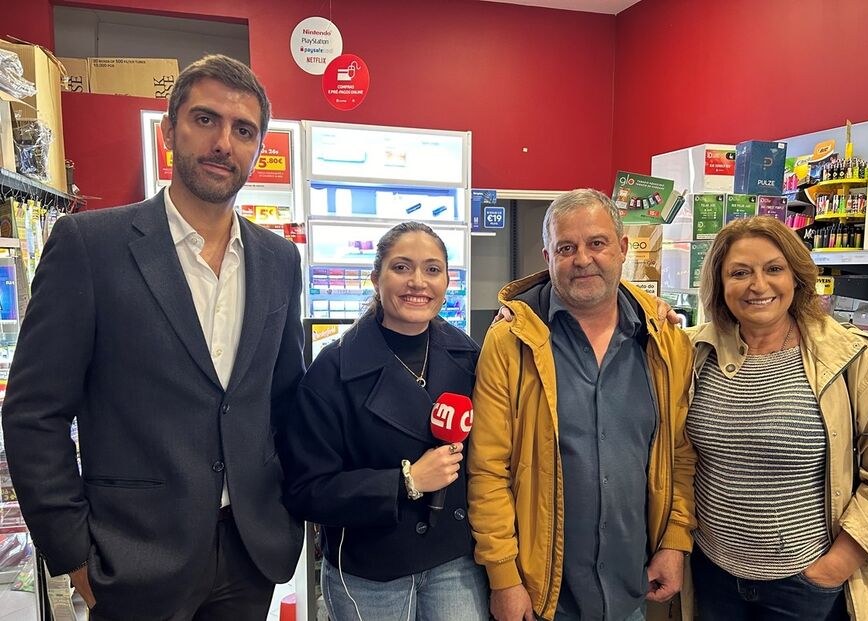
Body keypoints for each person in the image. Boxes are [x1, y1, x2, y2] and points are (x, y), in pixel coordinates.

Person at [1, 55, 304, 620]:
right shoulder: (90, 246)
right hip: (133, 558)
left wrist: (287, 514)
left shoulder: (279, 259)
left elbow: (285, 401)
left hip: (249, 555)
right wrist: (73, 552)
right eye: (205, 119)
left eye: (244, 131)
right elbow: (33, 413)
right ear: (169, 130)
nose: (224, 143)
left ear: (259, 148)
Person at [687, 215, 868, 620]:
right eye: (740, 272)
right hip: (712, 573)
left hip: (806, 587)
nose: (758, 285)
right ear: (719, 283)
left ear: (797, 278)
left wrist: (833, 567)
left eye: (774, 269)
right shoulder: (694, 353)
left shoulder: (851, 357)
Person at [468, 188, 696, 621]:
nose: (583, 259)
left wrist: (675, 542)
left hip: (632, 589)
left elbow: (680, 455)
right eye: (566, 248)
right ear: (548, 257)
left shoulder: (665, 341)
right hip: (541, 596)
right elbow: (488, 469)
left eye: (597, 243)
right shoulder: (510, 342)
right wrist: (504, 578)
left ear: (623, 248)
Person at [279, 221, 489, 620]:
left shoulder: (468, 356)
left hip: (455, 561)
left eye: (432, 269)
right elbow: (306, 489)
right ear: (376, 278)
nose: (418, 282)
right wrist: (405, 482)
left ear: (447, 282)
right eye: (401, 267)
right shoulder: (334, 370)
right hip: (370, 570)